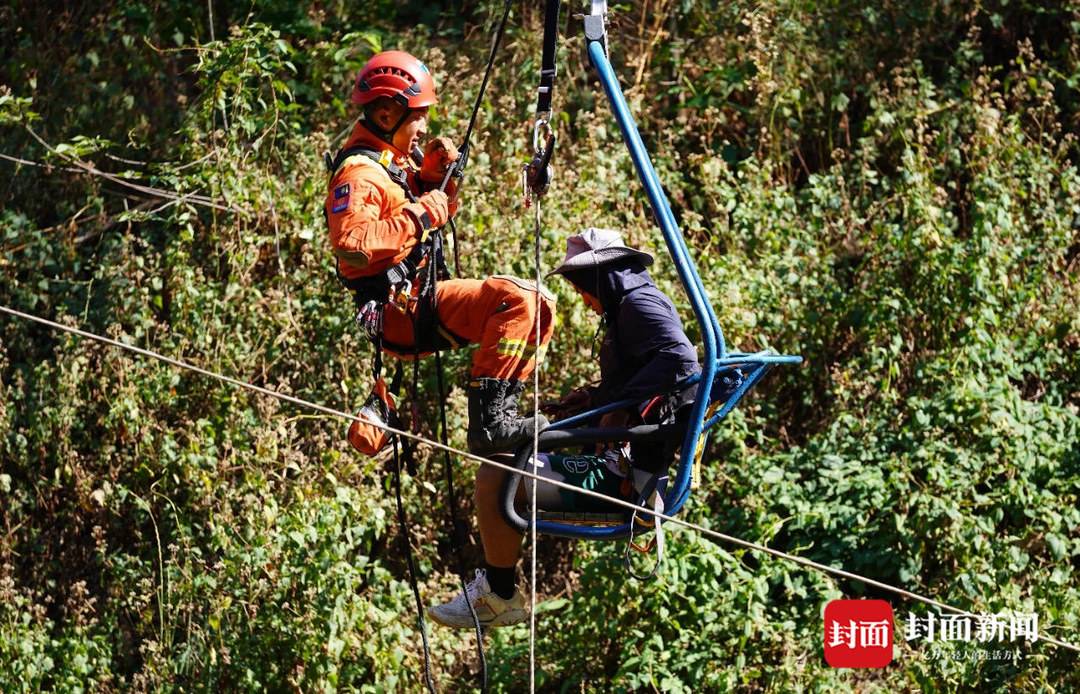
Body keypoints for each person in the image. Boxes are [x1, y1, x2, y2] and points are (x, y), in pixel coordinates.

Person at [427, 227, 701, 629]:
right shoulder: (633, 305)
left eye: (583, 291)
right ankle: (498, 590)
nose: (585, 303)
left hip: (627, 481)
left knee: (497, 475)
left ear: (600, 279)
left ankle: (500, 595)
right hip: (617, 463)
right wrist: (594, 398)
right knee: (502, 463)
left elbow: (681, 363)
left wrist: (615, 408)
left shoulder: (638, 305)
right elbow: (647, 374)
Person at [327, 50, 555, 456]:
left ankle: (504, 409)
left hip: (418, 301)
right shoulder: (359, 174)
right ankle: (490, 424)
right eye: (419, 115)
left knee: (540, 310)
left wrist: (434, 182)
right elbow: (353, 246)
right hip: (396, 310)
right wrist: (417, 215)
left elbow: (429, 214)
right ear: (385, 116)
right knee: (518, 299)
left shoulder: (391, 166)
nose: (424, 126)